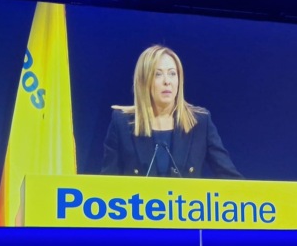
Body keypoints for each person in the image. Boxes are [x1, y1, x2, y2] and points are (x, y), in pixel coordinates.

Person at [102, 45, 242, 178]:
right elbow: (106, 185)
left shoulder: (200, 122)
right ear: (144, 81)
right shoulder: (122, 123)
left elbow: (231, 179)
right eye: (158, 74)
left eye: (172, 74)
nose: (167, 81)